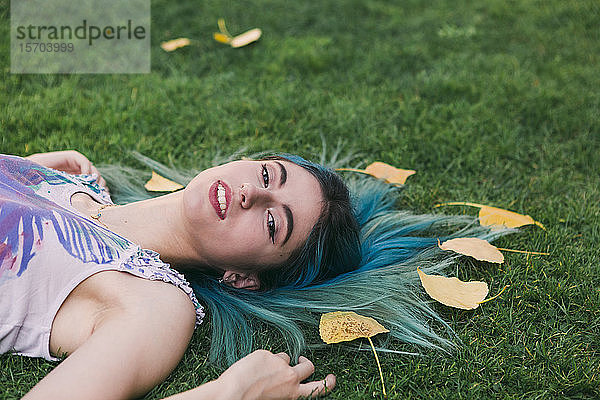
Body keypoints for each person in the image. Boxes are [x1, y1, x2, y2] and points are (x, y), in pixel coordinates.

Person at [1, 149, 502, 399]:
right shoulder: (74, 180)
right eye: (267, 175)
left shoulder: (155, 305)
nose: (252, 194)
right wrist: (32, 171)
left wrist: (223, 395)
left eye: (271, 222)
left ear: (241, 278)